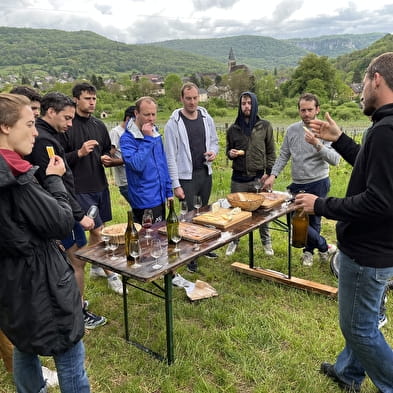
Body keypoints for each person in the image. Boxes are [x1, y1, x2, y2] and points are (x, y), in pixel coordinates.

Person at [296, 52, 393, 393]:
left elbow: (379, 201)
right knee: (359, 319)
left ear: (376, 79)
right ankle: (348, 373)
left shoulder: (386, 131)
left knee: (359, 327)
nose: (362, 91)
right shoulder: (384, 127)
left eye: (364, 84)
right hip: (379, 248)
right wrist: (339, 139)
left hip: (369, 252)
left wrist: (319, 204)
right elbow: (371, 170)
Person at [0, 93, 90, 392]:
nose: (35, 131)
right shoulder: (16, 177)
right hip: (42, 282)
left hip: (11, 283)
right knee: (69, 351)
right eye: (29, 123)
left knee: (24, 344)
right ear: (5, 127)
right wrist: (53, 179)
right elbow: (60, 222)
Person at [25, 92, 107, 330]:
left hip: (63, 208)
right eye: (67, 118)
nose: (71, 124)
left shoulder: (49, 136)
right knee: (76, 261)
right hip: (60, 212)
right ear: (51, 112)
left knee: (72, 260)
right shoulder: (44, 142)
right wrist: (78, 215)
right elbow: (52, 182)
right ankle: (77, 311)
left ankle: (72, 304)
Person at [59, 82, 125, 295]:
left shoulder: (98, 125)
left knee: (100, 230)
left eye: (94, 99)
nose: (92, 102)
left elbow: (108, 151)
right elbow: (59, 160)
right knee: (98, 230)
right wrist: (78, 153)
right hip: (79, 188)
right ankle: (112, 273)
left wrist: (108, 158)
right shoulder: (68, 126)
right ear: (76, 99)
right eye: (88, 98)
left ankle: (96, 265)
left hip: (100, 185)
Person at [264, 93, 340, 266]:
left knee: (314, 220)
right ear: (298, 110)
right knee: (294, 219)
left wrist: (317, 144)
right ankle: (324, 246)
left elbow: (334, 160)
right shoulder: (292, 130)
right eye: (303, 110)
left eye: (310, 110)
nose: (306, 114)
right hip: (297, 183)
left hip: (318, 181)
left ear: (317, 110)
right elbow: (284, 154)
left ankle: (308, 252)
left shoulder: (325, 129)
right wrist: (273, 175)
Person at [164, 82, 219, 272]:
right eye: (188, 98)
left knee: (203, 213)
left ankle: (202, 248)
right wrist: (175, 184)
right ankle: (189, 256)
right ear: (181, 99)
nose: (192, 102)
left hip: (204, 172)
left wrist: (213, 152)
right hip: (185, 177)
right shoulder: (173, 123)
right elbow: (170, 155)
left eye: (195, 98)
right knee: (187, 216)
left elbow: (214, 142)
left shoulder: (206, 117)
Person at [225, 91, 276, 256]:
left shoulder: (265, 126)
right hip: (238, 178)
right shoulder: (233, 129)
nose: (246, 106)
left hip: (258, 177)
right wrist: (230, 153)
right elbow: (228, 150)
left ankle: (266, 243)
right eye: (243, 103)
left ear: (254, 105)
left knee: (262, 212)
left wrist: (269, 173)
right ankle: (234, 241)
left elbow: (270, 152)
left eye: (249, 103)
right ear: (240, 106)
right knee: (236, 212)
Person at [120, 96, 173, 223]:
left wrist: (169, 192)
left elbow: (162, 164)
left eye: (153, 114)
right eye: (146, 114)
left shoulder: (155, 133)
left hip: (160, 196)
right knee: (148, 239)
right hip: (144, 200)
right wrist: (147, 140)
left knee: (161, 236)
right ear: (136, 113)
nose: (151, 119)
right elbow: (136, 165)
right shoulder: (127, 139)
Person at [108, 105, 135, 204]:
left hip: (137, 179)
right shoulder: (116, 133)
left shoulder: (133, 132)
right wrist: (130, 160)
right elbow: (109, 157)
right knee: (140, 210)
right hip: (126, 181)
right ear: (128, 119)